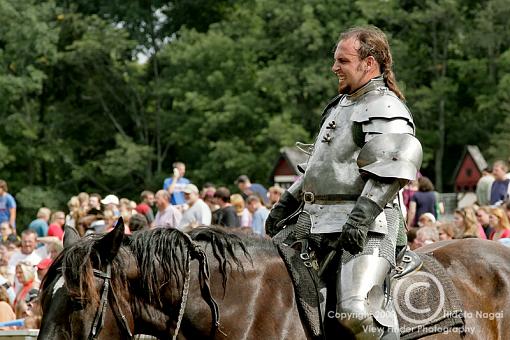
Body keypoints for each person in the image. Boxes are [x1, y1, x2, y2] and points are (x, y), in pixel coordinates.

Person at [265, 26, 422, 338]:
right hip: (316, 221)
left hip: (369, 224)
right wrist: (287, 201)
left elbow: (392, 170)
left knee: (356, 313)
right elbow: (320, 168)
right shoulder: (340, 106)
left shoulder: (384, 107)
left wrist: (361, 217)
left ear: (369, 63)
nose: (334, 67)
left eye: (343, 60)